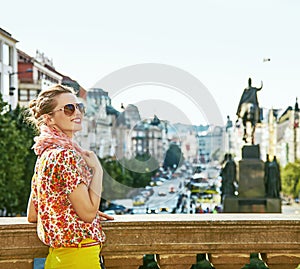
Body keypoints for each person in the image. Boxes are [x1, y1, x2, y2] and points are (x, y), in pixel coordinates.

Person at [26, 84, 114, 269]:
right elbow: (88, 214)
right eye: (68, 109)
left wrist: (70, 210)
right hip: (79, 256)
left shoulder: (44, 155)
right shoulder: (65, 156)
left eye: (78, 107)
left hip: (57, 258)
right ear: (49, 119)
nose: (77, 113)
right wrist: (98, 170)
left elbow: (33, 214)